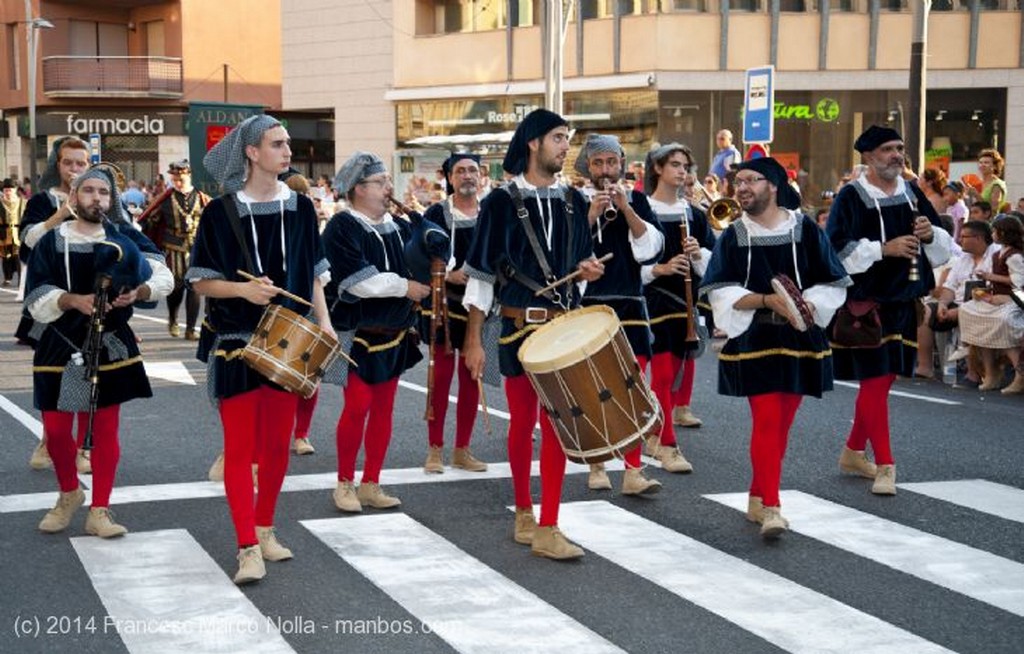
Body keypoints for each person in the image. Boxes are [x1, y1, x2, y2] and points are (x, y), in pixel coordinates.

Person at [188, 114, 333, 585]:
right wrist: (243, 292)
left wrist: (325, 322)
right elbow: (202, 281)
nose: (287, 150)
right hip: (237, 341)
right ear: (251, 152)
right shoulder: (219, 212)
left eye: (288, 142)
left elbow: (312, 271)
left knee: (276, 448)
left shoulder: (303, 208)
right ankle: (246, 546)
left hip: (289, 341)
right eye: (277, 143)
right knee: (239, 448)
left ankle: (266, 527)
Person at [462, 109, 605, 560]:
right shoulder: (500, 203)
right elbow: (481, 276)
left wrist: (588, 271)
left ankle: (548, 524)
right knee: (524, 424)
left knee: (558, 426)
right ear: (533, 143)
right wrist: (472, 340)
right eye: (559, 138)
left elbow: (581, 264)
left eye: (567, 138)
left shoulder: (574, 201)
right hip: (518, 328)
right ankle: (524, 510)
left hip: (565, 326)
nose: (566, 147)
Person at [700, 157, 850, 539]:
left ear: (774, 186)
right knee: (766, 420)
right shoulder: (733, 235)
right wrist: (768, 301)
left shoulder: (807, 231)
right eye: (739, 181)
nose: (742, 187)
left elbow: (833, 279)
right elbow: (720, 288)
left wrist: (807, 305)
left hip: (801, 336)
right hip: (756, 337)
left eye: (752, 180)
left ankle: (756, 493)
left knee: (782, 424)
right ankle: (771, 506)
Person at [26, 163, 172, 539]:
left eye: (103, 192)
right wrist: (71, 300)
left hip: (110, 341)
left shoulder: (125, 237)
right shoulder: (52, 240)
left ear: (112, 199)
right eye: (88, 191)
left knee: (105, 429)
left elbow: (162, 276)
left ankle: (101, 508)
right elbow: (35, 293)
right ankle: (69, 493)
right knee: (57, 432)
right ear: (74, 197)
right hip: (60, 342)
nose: (96, 198)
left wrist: (136, 292)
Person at [826, 126, 952, 496]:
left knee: (886, 379)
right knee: (876, 380)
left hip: (905, 301)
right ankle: (885, 464)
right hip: (868, 303)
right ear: (868, 156)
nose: (897, 154)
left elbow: (944, 243)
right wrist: (884, 249)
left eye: (900, 147)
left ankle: (852, 451)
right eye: (887, 149)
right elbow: (834, 249)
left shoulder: (911, 191)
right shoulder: (851, 196)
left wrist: (930, 234)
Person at [322, 152, 429, 512]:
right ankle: (344, 483)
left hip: (396, 331)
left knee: (384, 409)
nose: (388, 188)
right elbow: (359, 283)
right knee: (358, 406)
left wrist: (431, 239)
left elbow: (426, 263)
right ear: (357, 189)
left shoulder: (398, 227)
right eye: (380, 182)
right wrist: (406, 287)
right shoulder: (342, 227)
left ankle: (371, 481)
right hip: (358, 332)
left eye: (387, 181)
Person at [575, 134, 664, 494]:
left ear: (622, 164)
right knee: (592, 388)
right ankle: (596, 465)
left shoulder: (638, 199)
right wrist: (591, 214)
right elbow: (566, 249)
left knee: (633, 389)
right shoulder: (573, 201)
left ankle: (632, 470)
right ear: (588, 167)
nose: (606, 170)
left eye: (611, 162)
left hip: (630, 301)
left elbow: (650, 251)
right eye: (598, 163)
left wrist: (626, 209)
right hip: (589, 303)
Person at [17, 138, 91, 473]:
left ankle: (84, 447)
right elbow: (27, 240)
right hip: (50, 298)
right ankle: (49, 440)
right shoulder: (42, 200)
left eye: (81, 163)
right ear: (57, 165)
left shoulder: (99, 196)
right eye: (69, 163)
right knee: (53, 375)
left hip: (90, 298)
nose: (75, 169)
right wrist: (61, 214)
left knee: (91, 374)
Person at [642, 143, 717, 471]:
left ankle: (656, 432)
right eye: (674, 164)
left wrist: (698, 252)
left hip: (686, 301)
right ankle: (665, 441)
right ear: (657, 168)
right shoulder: (642, 209)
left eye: (685, 165)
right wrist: (659, 268)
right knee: (660, 373)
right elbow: (630, 259)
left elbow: (715, 264)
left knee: (674, 371)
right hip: (651, 299)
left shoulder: (695, 215)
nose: (682, 170)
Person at [420, 152, 489, 474]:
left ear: (481, 175)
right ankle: (435, 449)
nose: (467, 176)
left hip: (480, 304)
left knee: (471, 379)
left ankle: (462, 448)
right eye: (460, 171)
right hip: (444, 305)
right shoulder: (437, 211)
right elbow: (420, 252)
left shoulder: (490, 211)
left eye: (472, 170)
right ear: (449, 177)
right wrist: (447, 274)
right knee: (441, 379)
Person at [139, 160, 210, 340]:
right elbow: (151, 219)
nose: (177, 182)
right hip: (173, 247)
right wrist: (148, 225)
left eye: (181, 178)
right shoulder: (165, 198)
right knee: (176, 287)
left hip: (196, 248)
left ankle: (191, 329)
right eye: (175, 178)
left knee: (194, 288)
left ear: (188, 175)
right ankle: (172, 319)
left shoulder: (202, 197)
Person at [956, 214, 1024, 393]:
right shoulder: (997, 253)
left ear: (1003, 233)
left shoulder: (1014, 256)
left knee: (1004, 321)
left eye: (994, 230)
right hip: (999, 297)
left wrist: (989, 277)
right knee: (968, 310)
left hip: (1016, 298)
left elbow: (1018, 282)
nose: (992, 233)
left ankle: (1019, 375)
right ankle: (990, 372)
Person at [1, 178, 25, 286]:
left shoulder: (22, 202)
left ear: (15, 190)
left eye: (10, 190)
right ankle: (7, 278)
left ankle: (21, 279)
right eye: (6, 190)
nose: (8, 192)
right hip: (4, 233)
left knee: (18, 256)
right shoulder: (1, 203)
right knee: (6, 257)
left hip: (18, 232)